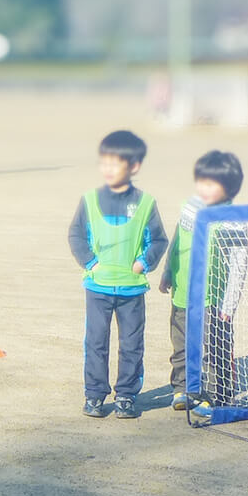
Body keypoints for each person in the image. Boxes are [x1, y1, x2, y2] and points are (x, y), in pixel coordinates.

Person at [68, 130, 169, 419]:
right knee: (96, 342)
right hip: (98, 287)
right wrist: (90, 263)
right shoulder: (89, 200)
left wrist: (143, 263)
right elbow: (76, 234)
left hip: (132, 289)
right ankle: (95, 395)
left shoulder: (146, 203)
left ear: (133, 167)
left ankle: (126, 395)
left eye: (115, 164)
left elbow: (158, 240)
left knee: (132, 345)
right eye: (104, 163)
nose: (107, 169)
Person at [159, 151, 246, 416]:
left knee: (213, 349)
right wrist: (167, 270)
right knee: (182, 343)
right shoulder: (190, 206)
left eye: (212, 184)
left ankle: (216, 395)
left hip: (213, 300)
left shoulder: (234, 219)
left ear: (229, 187)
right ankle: (183, 389)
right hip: (184, 293)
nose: (204, 188)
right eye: (201, 182)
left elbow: (239, 264)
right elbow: (177, 240)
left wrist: (229, 304)